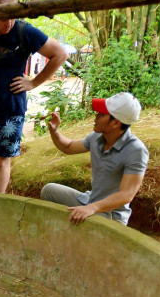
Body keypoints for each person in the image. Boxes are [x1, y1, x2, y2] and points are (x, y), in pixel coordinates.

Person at [0, 0, 68, 193]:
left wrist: (33, 83)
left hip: (10, 111)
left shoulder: (25, 32)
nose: (8, 23)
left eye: (13, 17)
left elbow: (60, 54)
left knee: (2, 161)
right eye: (3, 19)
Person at [41, 92, 148, 226]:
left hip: (111, 215)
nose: (95, 117)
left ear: (115, 123)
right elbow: (68, 147)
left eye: (101, 115)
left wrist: (92, 208)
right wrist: (55, 131)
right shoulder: (97, 137)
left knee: (88, 218)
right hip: (89, 201)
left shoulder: (136, 150)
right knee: (49, 191)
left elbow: (126, 194)